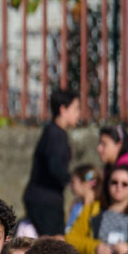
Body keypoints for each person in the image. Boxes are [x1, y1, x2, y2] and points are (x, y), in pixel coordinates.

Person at [23, 88, 83, 236]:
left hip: (44, 199)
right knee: (53, 245)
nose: (78, 113)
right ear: (63, 109)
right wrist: (74, 180)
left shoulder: (54, 132)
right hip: (46, 202)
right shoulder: (56, 135)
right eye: (76, 108)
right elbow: (54, 166)